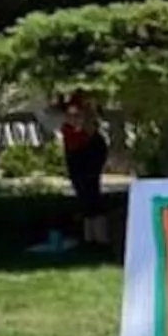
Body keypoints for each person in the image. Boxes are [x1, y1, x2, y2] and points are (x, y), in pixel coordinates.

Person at [60, 92, 111, 245]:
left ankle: (98, 237)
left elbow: (99, 155)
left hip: (89, 173)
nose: (74, 118)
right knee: (87, 203)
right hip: (80, 173)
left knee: (93, 202)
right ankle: (91, 238)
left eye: (77, 115)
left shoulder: (93, 139)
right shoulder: (70, 134)